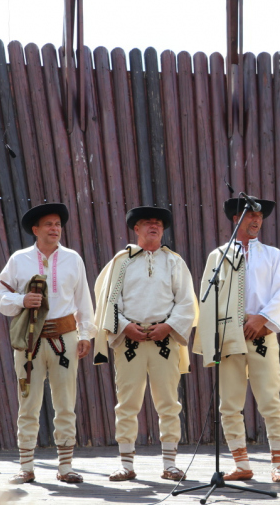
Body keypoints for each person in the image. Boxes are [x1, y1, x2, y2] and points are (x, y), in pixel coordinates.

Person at [92, 206, 198, 482]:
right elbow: (109, 300)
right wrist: (125, 326)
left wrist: (168, 326)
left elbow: (186, 301)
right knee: (126, 403)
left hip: (165, 341)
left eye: (158, 223)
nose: (154, 226)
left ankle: (170, 464)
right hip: (129, 342)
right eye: (147, 223)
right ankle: (126, 464)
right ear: (135, 229)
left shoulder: (174, 262)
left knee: (168, 402)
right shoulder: (122, 261)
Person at [0, 203, 95, 484]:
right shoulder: (19, 259)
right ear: (35, 230)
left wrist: (86, 333)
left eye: (58, 225)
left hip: (66, 338)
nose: (55, 229)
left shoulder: (73, 258)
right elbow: (0, 294)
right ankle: (26, 467)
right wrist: (21, 300)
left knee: (66, 403)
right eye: (49, 224)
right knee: (28, 403)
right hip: (30, 340)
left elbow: (83, 298)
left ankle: (65, 468)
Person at [193, 196, 280, 483]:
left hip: (262, 333)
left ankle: (279, 464)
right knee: (230, 402)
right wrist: (212, 342)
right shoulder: (218, 256)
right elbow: (207, 300)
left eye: (260, 215)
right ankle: (242, 463)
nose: (257, 220)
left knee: (271, 400)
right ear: (236, 219)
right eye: (251, 215)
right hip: (229, 336)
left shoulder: (272, 254)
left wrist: (263, 319)